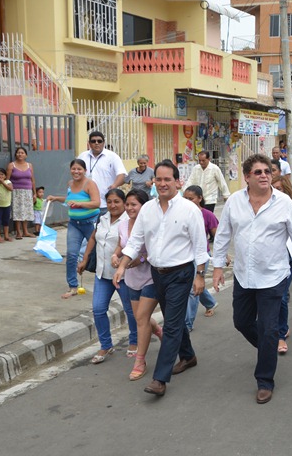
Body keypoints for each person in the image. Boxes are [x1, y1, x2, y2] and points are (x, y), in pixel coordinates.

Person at [212, 154, 292, 404]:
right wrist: (217, 267)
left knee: (270, 328)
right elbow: (223, 235)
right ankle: (267, 349)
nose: (264, 175)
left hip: (273, 276)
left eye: (267, 171)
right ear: (247, 177)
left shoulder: (284, 203)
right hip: (243, 275)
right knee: (241, 322)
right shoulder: (234, 202)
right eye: (258, 172)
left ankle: (265, 380)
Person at [113, 160, 209, 398]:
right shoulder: (148, 209)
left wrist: (200, 276)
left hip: (181, 273)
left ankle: (160, 379)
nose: (163, 183)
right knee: (172, 317)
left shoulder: (189, 210)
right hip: (157, 274)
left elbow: (200, 246)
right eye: (159, 179)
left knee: (172, 325)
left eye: (168, 179)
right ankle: (188, 356)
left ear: (178, 181)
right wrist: (122, 265)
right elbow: (136, 241)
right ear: (153, 181)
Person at [78, 189, 136, 364]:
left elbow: (133, 245)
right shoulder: (102, 218)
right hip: (102, 274)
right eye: (109, 202)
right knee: (98, 309)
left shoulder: (129, 221)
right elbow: (93, 238)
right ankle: (105, 345)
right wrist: (85, 258)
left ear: (124, 203)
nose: (113, 205)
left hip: (124, 275)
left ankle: (134, 341)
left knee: (130, 310)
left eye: (117, 201)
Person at [113, 188, 163, 381]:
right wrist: (115, 255)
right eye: (127, 204)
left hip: (151, 276)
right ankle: (158, 330)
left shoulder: (152, 224)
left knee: (141, 317)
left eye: (134, 204)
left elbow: (156, 249)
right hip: (131, 278)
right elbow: (121, 245)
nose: (129, 208)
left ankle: (140, 361)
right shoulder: (122, 225)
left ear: (144, 206)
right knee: (140, 317)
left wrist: (140, 259)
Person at [47, 159, 100, 299]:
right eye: (74, 169)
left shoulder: (90, 184)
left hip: (90, 224)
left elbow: (96, 203)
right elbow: (70, 199)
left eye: (79, 169)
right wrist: (55, 198)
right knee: (71, 254)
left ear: (85, 171)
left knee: (98, 253)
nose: (76, 171)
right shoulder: (70, 184)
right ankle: (73, 286)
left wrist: (80, 204)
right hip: (74, 224)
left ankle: (103, 283)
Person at [182, 185, 220, 332]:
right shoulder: (180, 213)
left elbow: (218, 236)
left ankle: (187, 324)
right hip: (184, 256)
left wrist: (223, 255)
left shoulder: (207, 215)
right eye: (185, 198)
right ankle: (210, 303)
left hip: (200, 257)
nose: (187, 201)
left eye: (191, 198)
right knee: (197, 285)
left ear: (200, 198)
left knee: (193, 289)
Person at [272, 175, 292, 354]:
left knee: (281, 296)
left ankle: (280, 335)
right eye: (273, 188)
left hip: (289, 258)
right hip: (271, 259)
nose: (276, 192)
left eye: (279, 189)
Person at [77, 131, 126, 212]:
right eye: (93, 141)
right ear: (89, 143)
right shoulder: (82, 156)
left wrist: (114, 185)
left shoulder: (112, 157)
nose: (96, 143)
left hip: (105, 204)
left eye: (99, 141)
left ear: (103, 143)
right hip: (86, 202)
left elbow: (122, 175)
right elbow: (76, 172)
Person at [7, 147, 37, 238]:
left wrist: (34, 193)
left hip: (27, 192)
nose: (20, 154)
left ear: (26, 155)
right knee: (17, 211)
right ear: (16, 154)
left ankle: (25, 231)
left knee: (26, 211)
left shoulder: (29, 165)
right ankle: (18, 232)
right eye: (18, 152)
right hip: (16, 192)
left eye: (22, 153)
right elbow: (7, 180)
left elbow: (32, 180)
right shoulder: (11, 165)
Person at [0, 169, 13, 243]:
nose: (0, 176)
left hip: (7, 205)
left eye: (2, 174)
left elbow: (10, 189)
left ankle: (6, 235)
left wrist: (2, 182)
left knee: (6, 221)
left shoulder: (8, 182)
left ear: (5, 176)